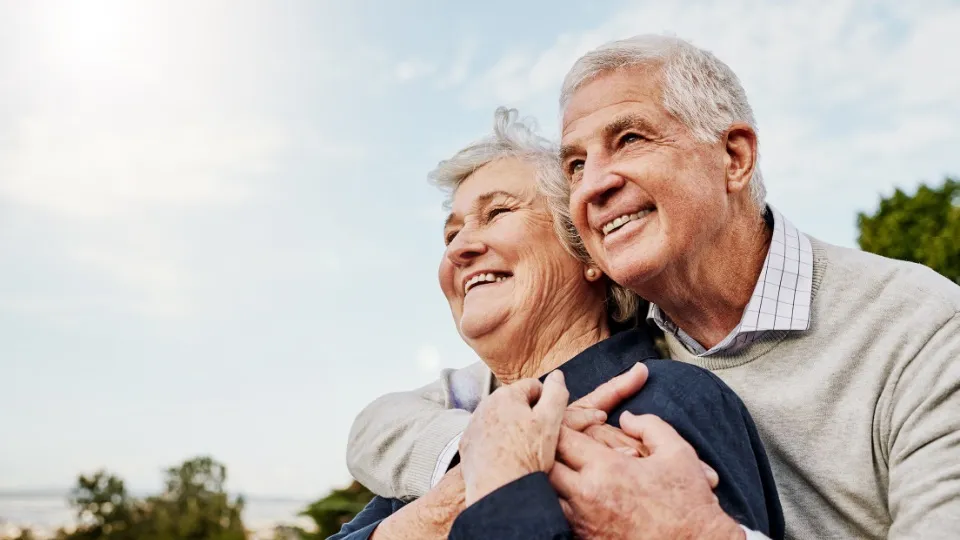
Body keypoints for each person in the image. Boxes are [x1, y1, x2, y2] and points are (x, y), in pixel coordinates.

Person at [347, 35, 960, 539]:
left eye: (630, 139)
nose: (594, 186)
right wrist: (480, 453)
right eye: (576, 164)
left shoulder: (923, 330)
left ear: (735, 157)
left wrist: (699, 535)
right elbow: (384, 423)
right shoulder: (601, 363)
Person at [330, 109, 783, 539]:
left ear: (588, 253)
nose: (458, 248)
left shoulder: (668, 401)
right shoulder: (448, 440)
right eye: (450, 235)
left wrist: (503, 481)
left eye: (498, 213)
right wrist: (438, 509)